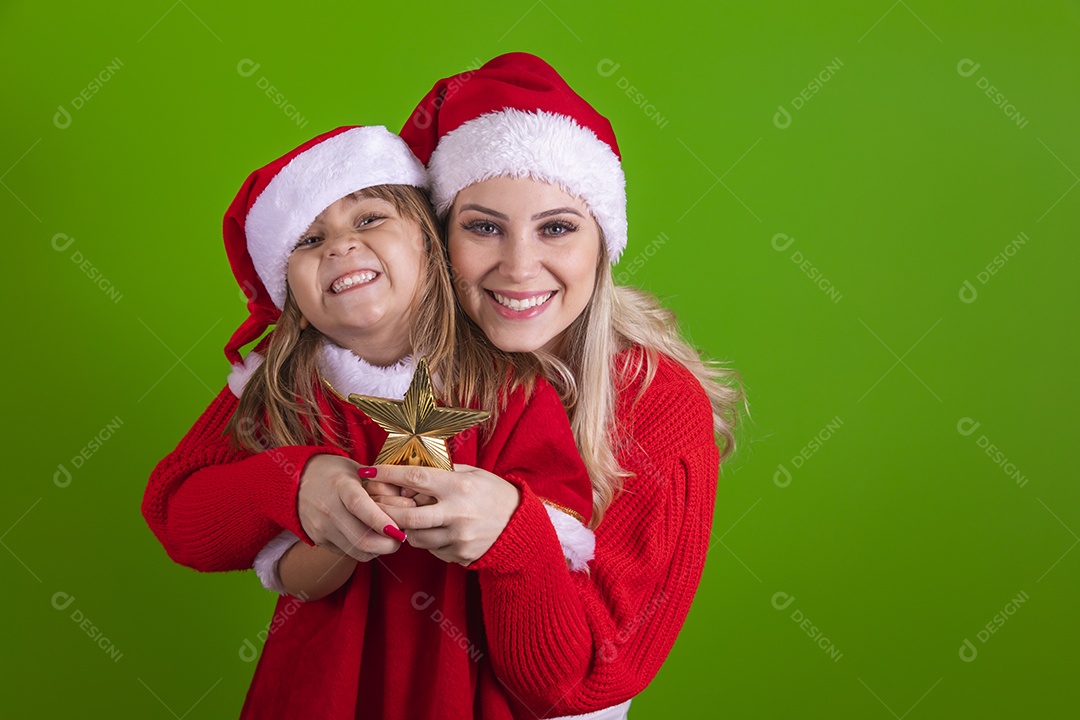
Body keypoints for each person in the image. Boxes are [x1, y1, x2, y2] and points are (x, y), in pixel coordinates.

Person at [141, 124, 595, 719]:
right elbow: (180, 517)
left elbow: (556, 558)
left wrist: (505, 527)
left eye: (369, 219)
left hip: (462, 690)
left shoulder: (509, 385)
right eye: (307, 239)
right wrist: (295, 487)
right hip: (320, 690)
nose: (339, 247)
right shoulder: (277, 391)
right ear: (291, 302)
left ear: (432, 249)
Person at [360, 52, 741, 719]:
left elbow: (580, 685)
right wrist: (300, 485)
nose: (519, 267)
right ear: (439, 238)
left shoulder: (656, 404)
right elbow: (180, 506)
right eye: (483, 227)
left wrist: (516, 537)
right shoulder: (377, 352)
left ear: (602, 243)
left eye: (557, 228)